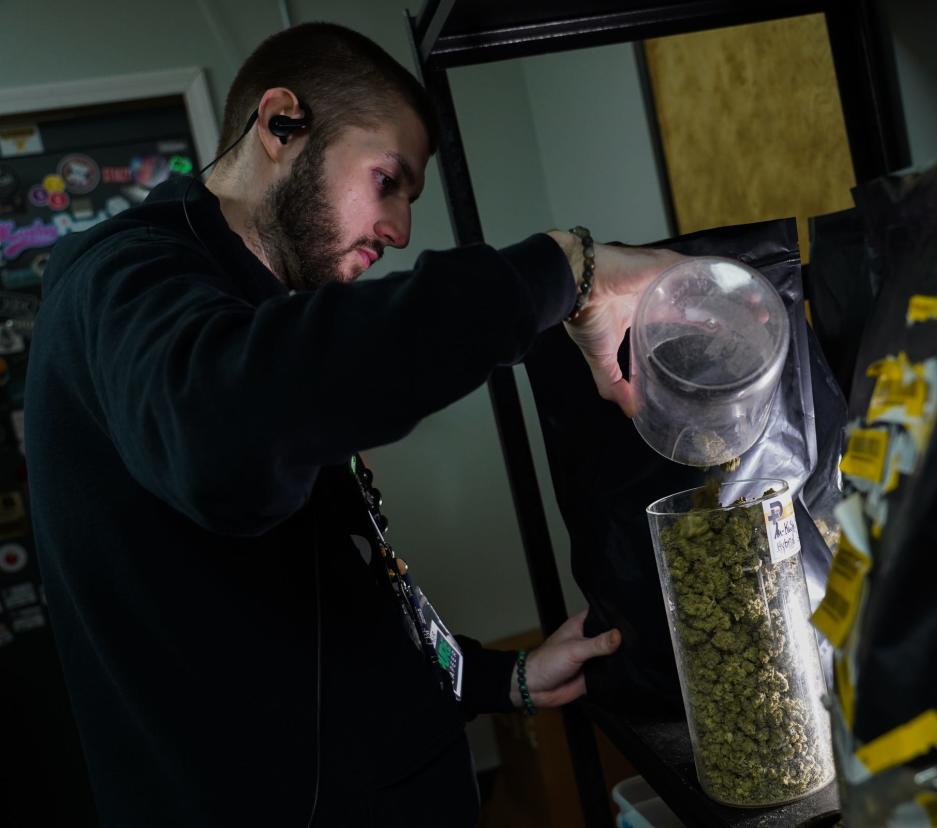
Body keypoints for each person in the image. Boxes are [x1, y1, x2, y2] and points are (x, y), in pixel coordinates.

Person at [25, 22, 682, 827]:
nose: (400, 230)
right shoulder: (123, 276)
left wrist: (495, 679)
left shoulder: (253, 317)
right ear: (280, 124)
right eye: (387, 180)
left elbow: (333, 593)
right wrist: (563, 265)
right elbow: (223, 436)